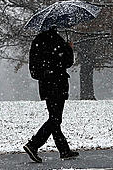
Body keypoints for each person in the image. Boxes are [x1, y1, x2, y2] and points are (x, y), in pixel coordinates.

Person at [23, 27, 79, 162]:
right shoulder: (58, 41)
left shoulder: (37, 41)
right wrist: (69, 48)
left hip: (46, 85)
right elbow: (68, 62)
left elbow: (34, 69)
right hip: (58, 84)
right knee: (55, 119)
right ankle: (34, 144)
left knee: (55, 118)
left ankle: (64, 150)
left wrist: (46, 74)